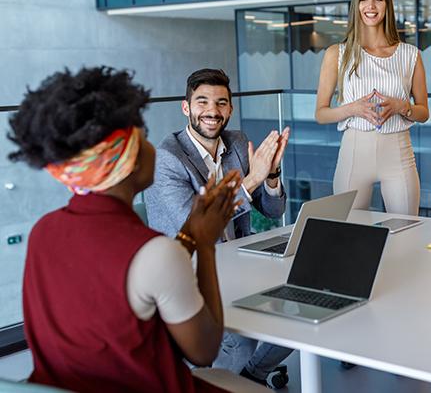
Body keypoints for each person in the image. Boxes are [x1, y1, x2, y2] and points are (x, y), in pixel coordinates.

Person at [9, 67, 258, 392]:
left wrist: (190, 234)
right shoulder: (155, 252)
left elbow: (123, 288)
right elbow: (204, 350)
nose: (153, 145)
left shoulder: (43, 230)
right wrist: (206, 245)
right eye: (142, 137)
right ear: (126, 159)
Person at [143, 68, 292, 388]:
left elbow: (273, 209)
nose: (212, 111)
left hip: (240, 260)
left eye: (221, 103)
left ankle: (252, 374)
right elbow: (196, 227)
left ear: (231, 109)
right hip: (193, 268)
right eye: (202, 102)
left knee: (301, 310)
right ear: (186, 108)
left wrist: (272, 175)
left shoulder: (236, 142)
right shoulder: (168, 158)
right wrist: (252, 179)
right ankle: (238, 376)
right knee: (241, 343)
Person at [315, 0, 429, 215]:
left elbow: (423, 112)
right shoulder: (337, 53)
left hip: (399, 153)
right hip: (354, 153)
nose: (371, 6)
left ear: (387, 4)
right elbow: (321, 114)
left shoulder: (410, 54)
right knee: (349, 235)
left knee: (406, 230)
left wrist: (401, 106)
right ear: (356, 4)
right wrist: (353, 109)